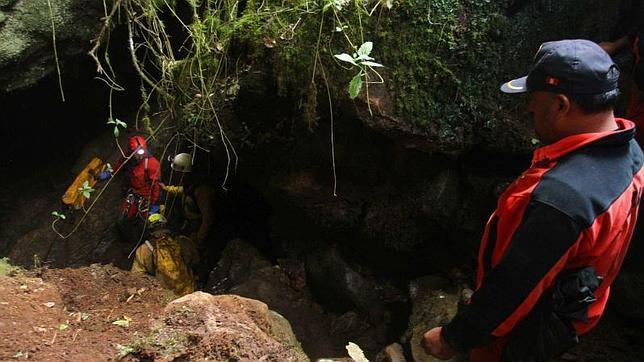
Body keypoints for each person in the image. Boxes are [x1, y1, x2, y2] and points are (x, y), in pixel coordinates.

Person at [421, 39, 644, 361]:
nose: (529, 108)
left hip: (520, 331)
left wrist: (454, 337)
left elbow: (516, 285)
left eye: (535, 100)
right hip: (574, 310)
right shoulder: (630, 152)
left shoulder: (562, 201)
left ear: (561, 105)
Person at [162, 152, 217, 281]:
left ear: (184, 172)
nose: (174, 174)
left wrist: (199, 237)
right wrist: (166, 188)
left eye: (177, 171)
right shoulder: (190, 184)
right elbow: (183, 192)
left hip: (198, 229)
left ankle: (198, 281)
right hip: (191, 226)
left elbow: (208, 218)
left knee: (197, 258)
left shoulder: (202, 191)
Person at [131, 213, 198, 296]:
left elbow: (137, 275)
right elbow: (195, 261)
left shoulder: (144, 249)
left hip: (166, 296)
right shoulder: (183, 241)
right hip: (189, 293)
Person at [100, 135, 162, 219]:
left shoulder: (152, 164)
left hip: (146, 195)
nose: (139, 155)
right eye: (135, 152)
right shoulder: (128, 157)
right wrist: (109, 173)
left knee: (146, 218)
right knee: (123, 215)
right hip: (133, 192)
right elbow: (119, 165)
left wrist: (155, 202)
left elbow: (156, 185)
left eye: (141, 151)